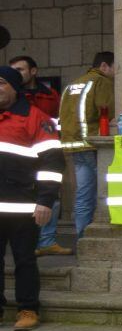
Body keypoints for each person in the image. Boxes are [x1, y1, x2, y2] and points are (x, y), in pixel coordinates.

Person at [0, 65, 64, 331]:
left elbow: (52, 162)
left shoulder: (36, 118)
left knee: (25, 259)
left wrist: (46, 200)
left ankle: (27, 309)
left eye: (1, 83)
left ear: (15, 87)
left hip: (25, 206)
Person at [10, 56, 69, 257]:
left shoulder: (51, 95)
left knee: (52, 196)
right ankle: (32, 241)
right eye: (13, 70)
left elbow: (59, 121)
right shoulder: (14, 96)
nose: (16, 74)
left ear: (33, 71)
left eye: (20, 69)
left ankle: (47, 241)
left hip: (46, 150)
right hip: (21, 156)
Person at [58, 51, 115, 240]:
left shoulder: (73, 84)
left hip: (73, 145)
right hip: (92, 144)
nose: (116, 73)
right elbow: (106, 110)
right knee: (105, 191)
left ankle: (81, 237)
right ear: (104, 66)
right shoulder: (102, 82)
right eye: (115, 68)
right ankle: (102, 234)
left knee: (83, 192)